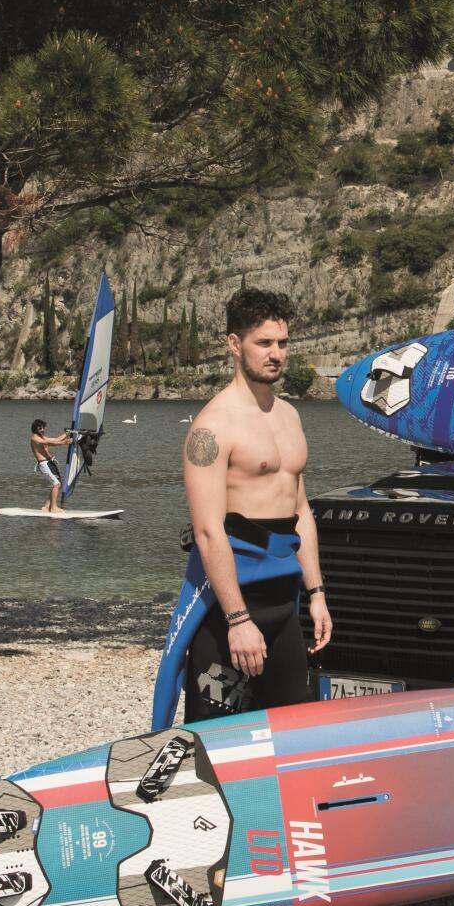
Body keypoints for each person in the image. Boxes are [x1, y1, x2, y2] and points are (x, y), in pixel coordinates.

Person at [160, 289, 333, 722]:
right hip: (228, 608)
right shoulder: (212, 427)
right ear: (235, 345)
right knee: (219, 742)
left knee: (293, 733)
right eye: (264, 343)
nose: (276, 354)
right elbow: (207, 532)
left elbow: (301, 512)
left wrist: (316, 594)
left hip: (284, 604)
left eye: (283, 343)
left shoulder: (290, 416)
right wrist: (237, 620)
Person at [27, 416, 72, 514]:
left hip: (49, 463)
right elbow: (49, 442)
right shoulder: (35, 438)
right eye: (40, 428)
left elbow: (55, 440)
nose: (42, 430)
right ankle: (53, 508)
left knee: (59, 484)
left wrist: (67, 433)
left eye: (43, 428)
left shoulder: (42, 437)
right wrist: (65, 442)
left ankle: (47, 506)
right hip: (44, 464)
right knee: (56, 484)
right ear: (35, 429)